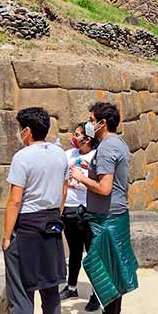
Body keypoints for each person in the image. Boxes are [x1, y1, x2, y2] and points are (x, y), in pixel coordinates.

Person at [0, 107, 69, 314]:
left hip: (27, 226)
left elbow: (14, 200)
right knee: (50, 288)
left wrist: (6, 236)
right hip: (51, 224)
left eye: (19, 128)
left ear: (26, 131)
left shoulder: (22, 157)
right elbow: (64, 189)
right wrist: (55, 215)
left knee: (22, 292)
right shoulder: (59, 153)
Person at [70, 102, 139, 314]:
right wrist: (92, 170)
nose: (88, 123)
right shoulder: (114, 143)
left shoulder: (108, 147)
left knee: (107, 272)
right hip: (112, 215)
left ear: (102, 123)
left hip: (107, 219)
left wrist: (81, 178)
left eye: (91, 119)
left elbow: (105, 188)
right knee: (113, 269)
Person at [60, 123, 97, 301]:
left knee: (92, 252)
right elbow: (61, 172)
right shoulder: (69, 154)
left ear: (87, 139)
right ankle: (71, 286)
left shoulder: (96, 156)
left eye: (77, 134)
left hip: (88, 209)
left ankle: (96, 293)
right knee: (74, 251)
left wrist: (86, 169)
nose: (73, 137)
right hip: (70, 208)